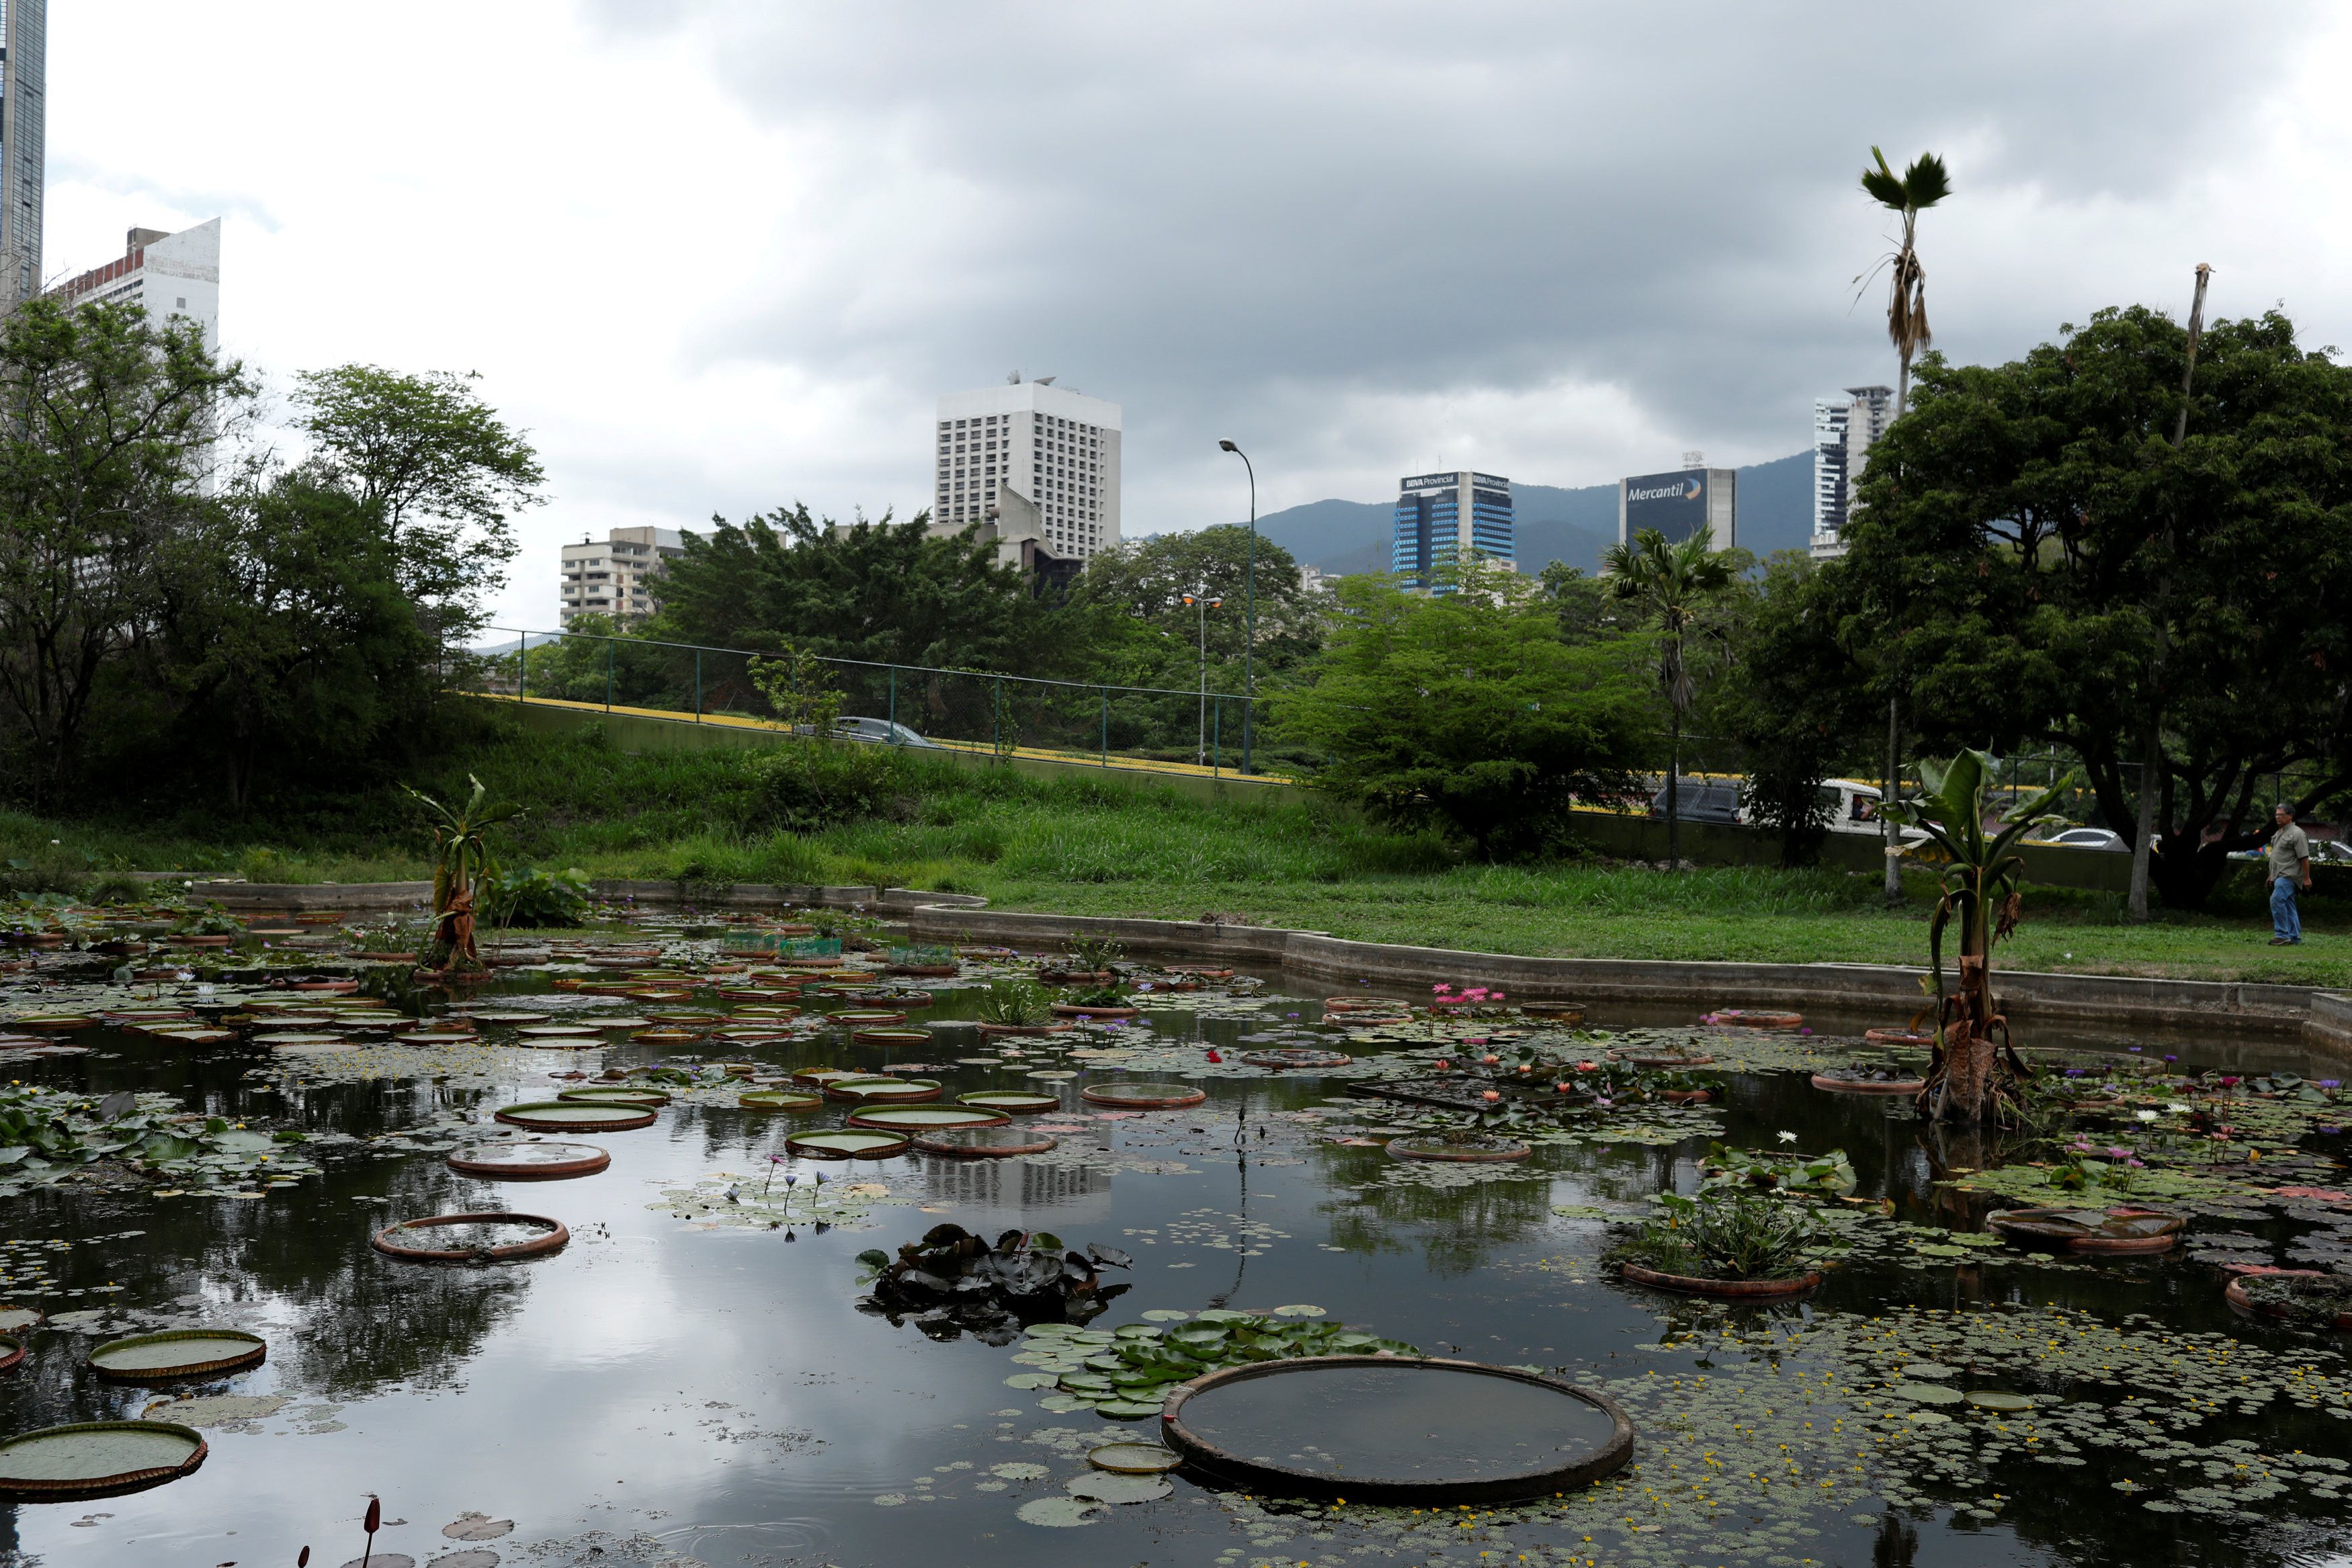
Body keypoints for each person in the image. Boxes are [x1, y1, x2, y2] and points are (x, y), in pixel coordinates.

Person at [2266, 803, 2311, 946]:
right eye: (2277, 815)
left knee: (2277, 900)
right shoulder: (2279, 833)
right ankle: (2294, 936)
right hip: (2278, 875)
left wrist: (2307, 878)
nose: (2278, 817)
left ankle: (2282, 934)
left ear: (2290, 816)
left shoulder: (2297, 833)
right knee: (2288, 904)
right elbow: (2277, 857)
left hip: (2289, 875)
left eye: (2281, 815)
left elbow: (2304, 857)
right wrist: (2271, 875)